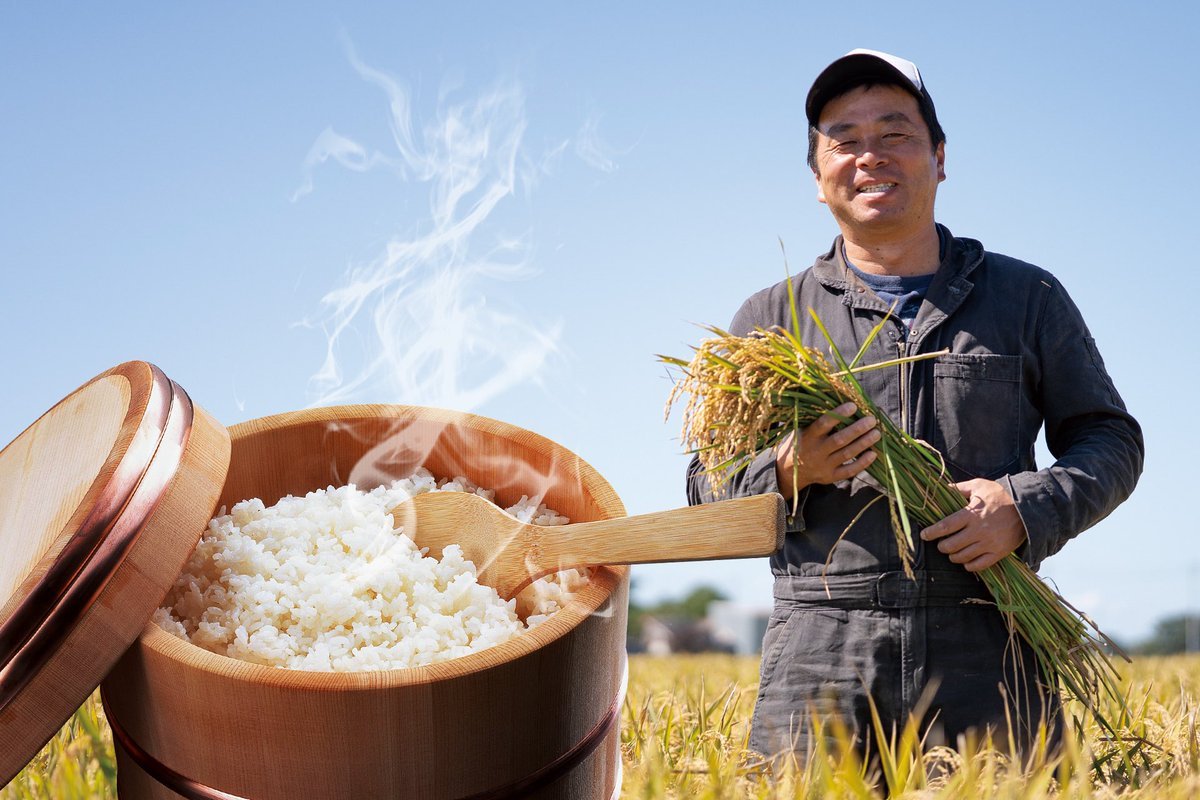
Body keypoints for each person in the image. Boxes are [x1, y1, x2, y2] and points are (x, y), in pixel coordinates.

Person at [685, 49, 1144, 761]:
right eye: (844, 139)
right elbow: (703, 488)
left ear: (938, 156)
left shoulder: (1026, 298)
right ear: (817, 177)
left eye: (895, 133)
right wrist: (786, 467)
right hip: (818, 660)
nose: (870, 156)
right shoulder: (770, 319)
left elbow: (1111, 441)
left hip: (989, 641)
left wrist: (1026, 507)